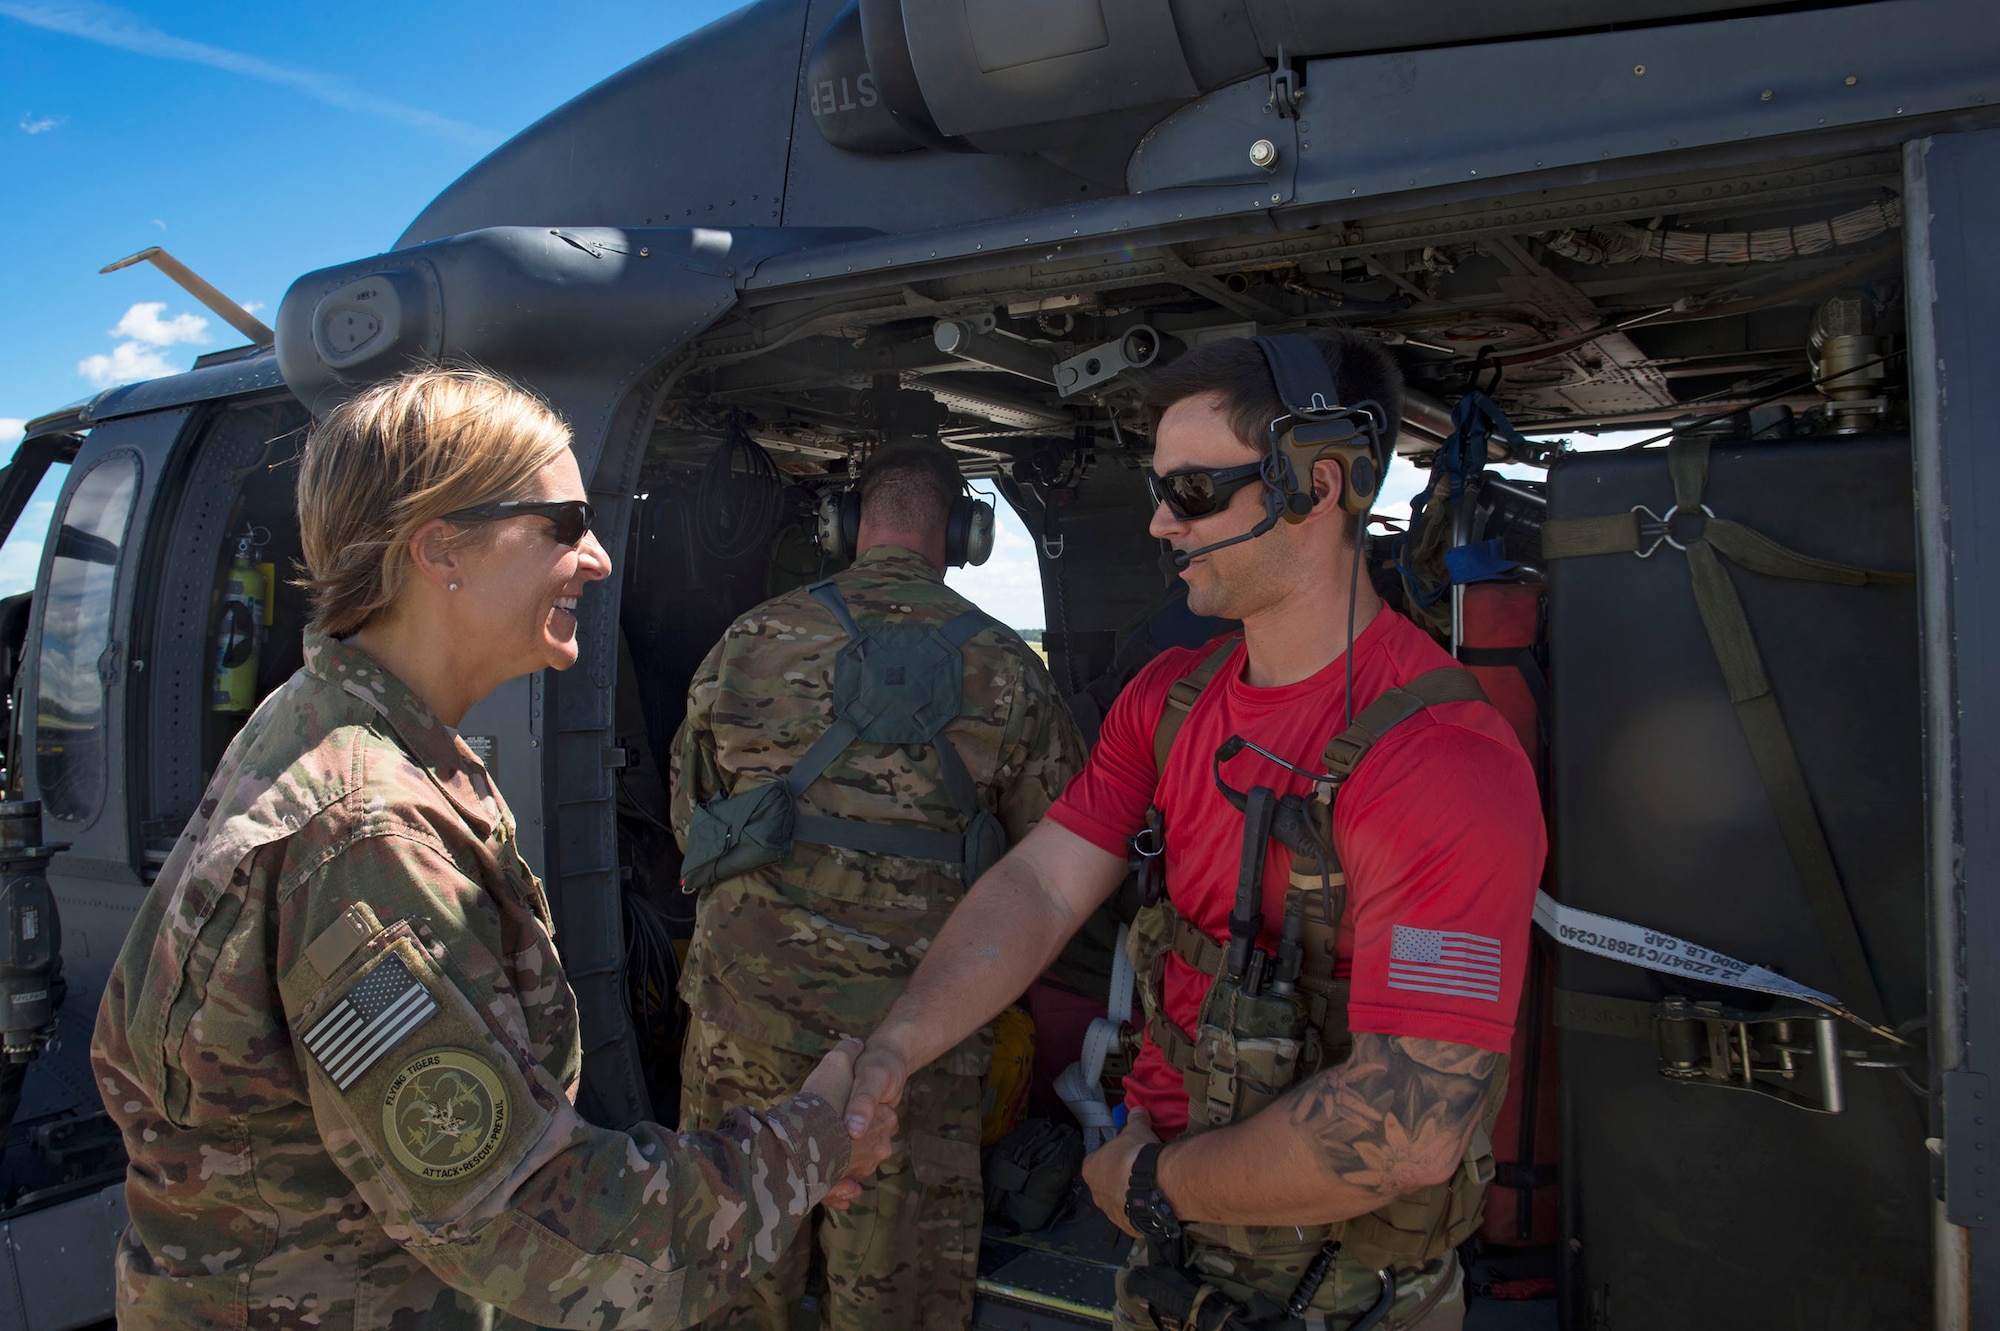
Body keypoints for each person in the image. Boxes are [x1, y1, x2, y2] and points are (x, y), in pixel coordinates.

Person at [91, 366, 895, 1331]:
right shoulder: (367, 831)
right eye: (561, 526)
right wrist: (810, 1144)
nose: (596, 559)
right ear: (441, 550)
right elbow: (526, 1225)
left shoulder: (330, 724)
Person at [844, 334, 1546, 1329]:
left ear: (1316, 483)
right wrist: (893, 1049)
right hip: (1172, 1252)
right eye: (1158, 489)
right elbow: (1042, 886)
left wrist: (1152, 1184)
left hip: (1337, 1287)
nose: (1159, 522)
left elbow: (1406, 1125)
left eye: (1191, 492)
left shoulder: (1437, 760)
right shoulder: (1167, 702)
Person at [670, 438, 1086, 1329]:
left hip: (747, 1016)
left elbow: (690, 819)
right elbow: (1055, 859)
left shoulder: (750, 642)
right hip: (918, 1042)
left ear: (847, 525)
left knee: (737, 1276)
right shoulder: (1013, 670)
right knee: (900, 1297)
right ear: (966, 534)